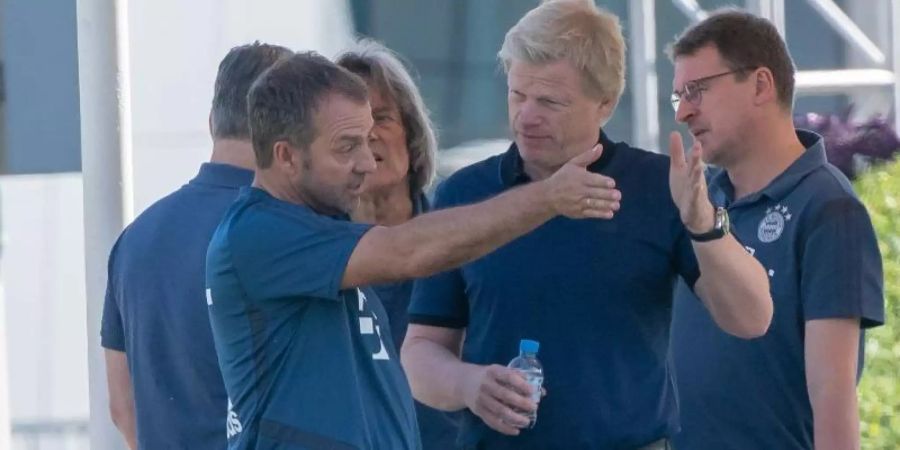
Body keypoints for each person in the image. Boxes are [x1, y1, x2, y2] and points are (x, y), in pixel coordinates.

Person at [400, 1, 773, 449]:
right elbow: (420, 353)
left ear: (606, 104)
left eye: (550, 101)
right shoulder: (464, 194)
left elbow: (752, 317)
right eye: (517, 94)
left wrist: (703, 223)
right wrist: (468, 384)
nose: (526, 115)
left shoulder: (659, 186)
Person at [205, 51, 622, 450]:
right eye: (347, 146)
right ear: (286, 157)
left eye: (371, 136)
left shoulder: (320, 229)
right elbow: (406, 252)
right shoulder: (260, 233)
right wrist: (547, 196)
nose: (367, 162)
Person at [667, 9, 884, 450]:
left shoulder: (828, 208)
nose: (684, 112)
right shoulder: (698, 199)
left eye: (698, 90)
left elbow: (833, 400)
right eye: (678, 97)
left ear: (761, 85)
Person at [100, 42, 292, 449]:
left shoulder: (135, 239)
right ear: (286, 130)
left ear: (211, 122)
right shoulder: (288, 229)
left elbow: (122, 406)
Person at [336, 39, 461, 449]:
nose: (366, 134)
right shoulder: (311, 253)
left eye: (382, 117)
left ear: (412, 136)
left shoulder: (459, 238)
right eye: (347, 125)